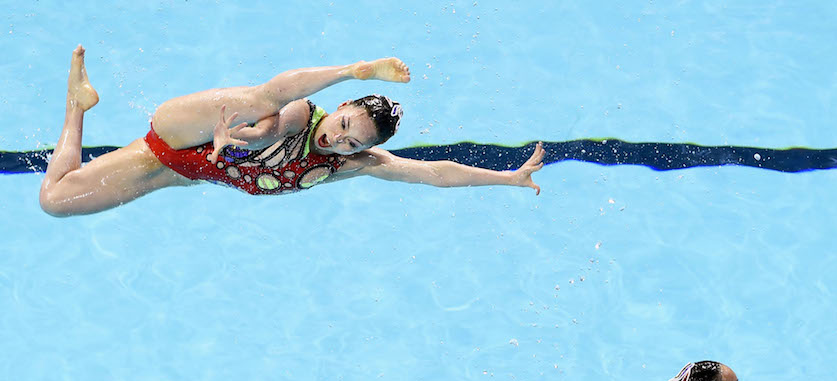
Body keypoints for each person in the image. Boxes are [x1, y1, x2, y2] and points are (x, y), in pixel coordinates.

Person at [40, 47, 545, 216]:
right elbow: (265, 128)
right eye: (344, 123)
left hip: (179, 166)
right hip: (188, 129)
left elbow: (433, 172)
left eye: (353, 141)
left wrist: (507, 178)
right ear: (341, 107)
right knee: (266, 102)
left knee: (56, 201)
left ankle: (78, 102)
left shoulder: (350, 165)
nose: (338, 140)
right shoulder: (306, 113)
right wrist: (357, 69)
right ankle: (357, 68)